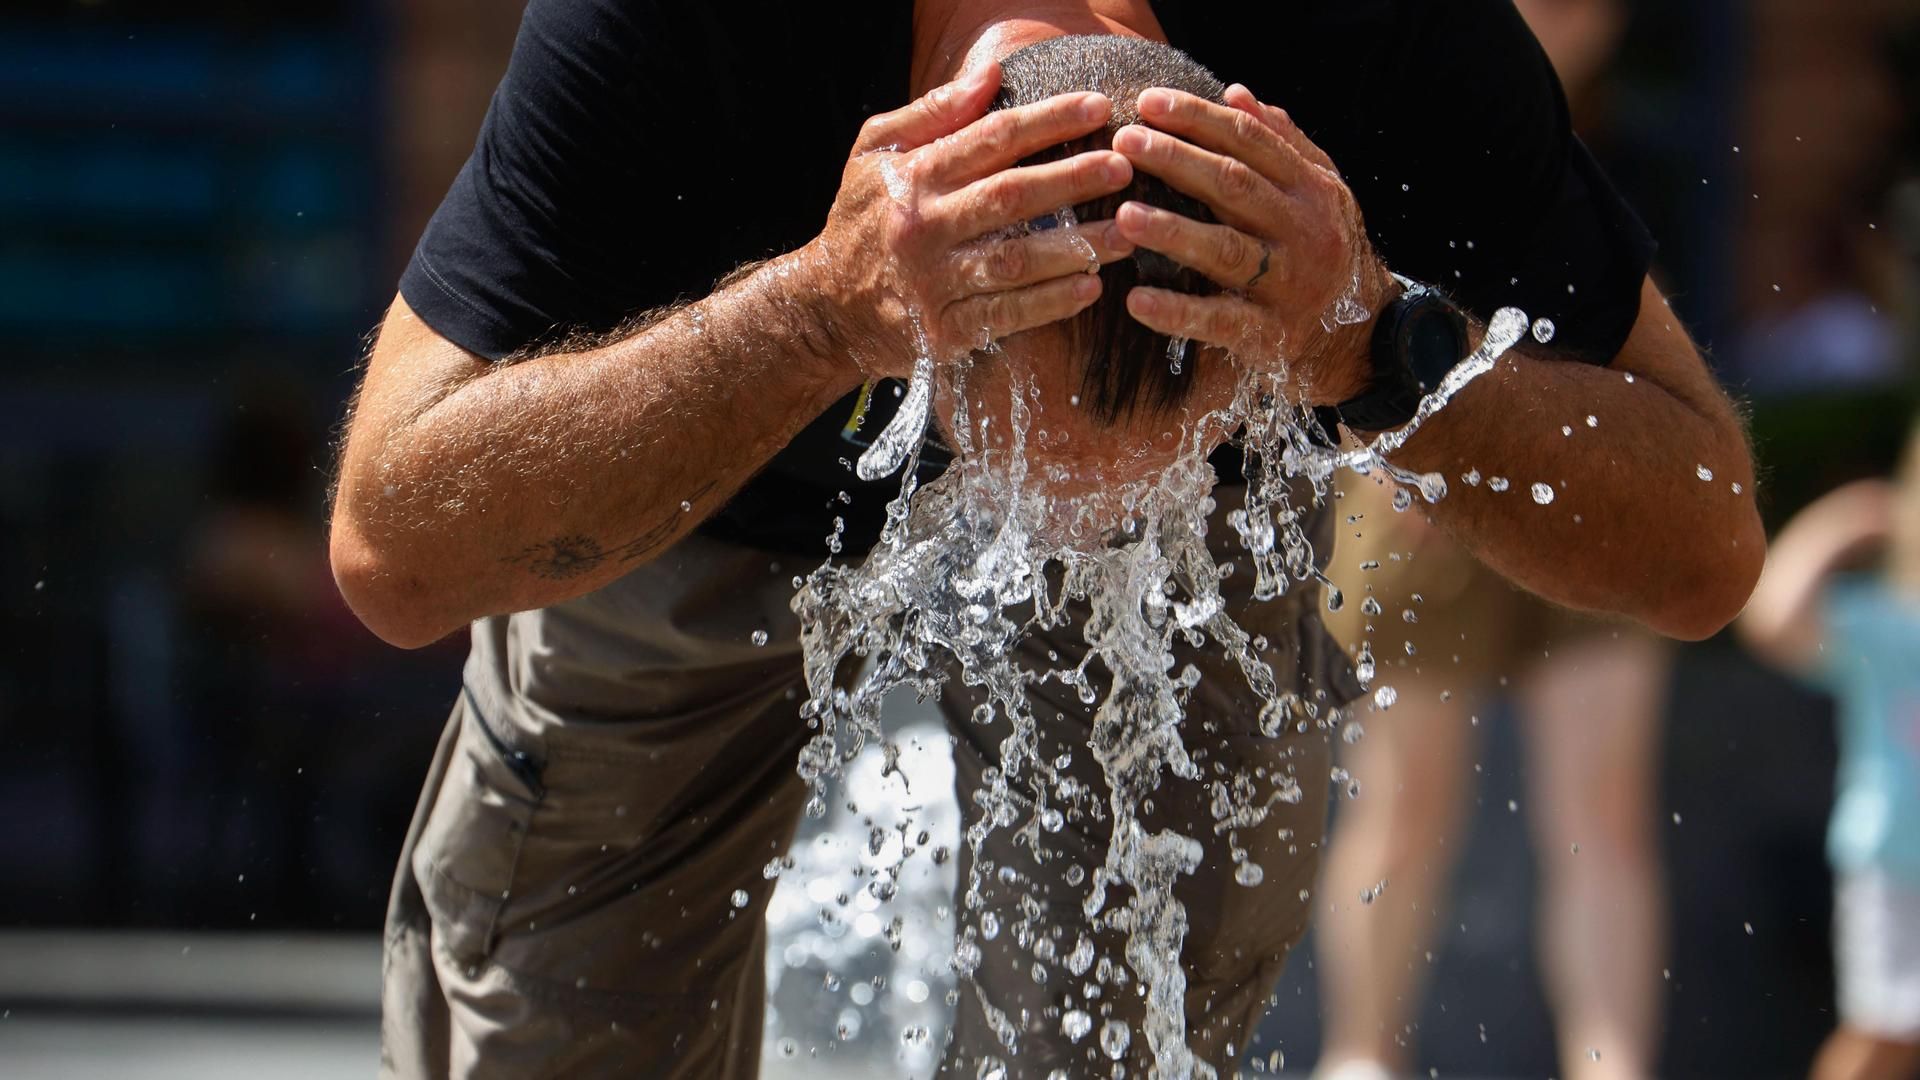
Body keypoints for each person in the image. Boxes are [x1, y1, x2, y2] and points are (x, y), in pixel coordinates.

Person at [328, 1, 1763, 1076]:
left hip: (1232, 495)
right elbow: (389, 550)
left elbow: (1705, 549)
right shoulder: (687, 31)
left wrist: (1372, 344)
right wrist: (811, 315)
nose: (1059, 528)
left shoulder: (1376, 37)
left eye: (1140, 481)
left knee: (1125, 1023)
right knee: (560, 1027)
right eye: (1014, 455)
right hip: (701, 470)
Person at [1313, 2, 1674, 1075]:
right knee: (1403, 807)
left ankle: (1612, 1064)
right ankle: (1361, 1058)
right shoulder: (1397, 116)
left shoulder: (1635, 144)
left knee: (1605, 815)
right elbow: (1327, 314)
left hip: (1601, 493)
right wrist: (1387, 447)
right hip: (1414, 494)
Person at [1739, 428, 1920, 1080]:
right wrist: (1844, 521)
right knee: (1884, 1034)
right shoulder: (1884, 623)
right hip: (1894, 868)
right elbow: (1771, 619)